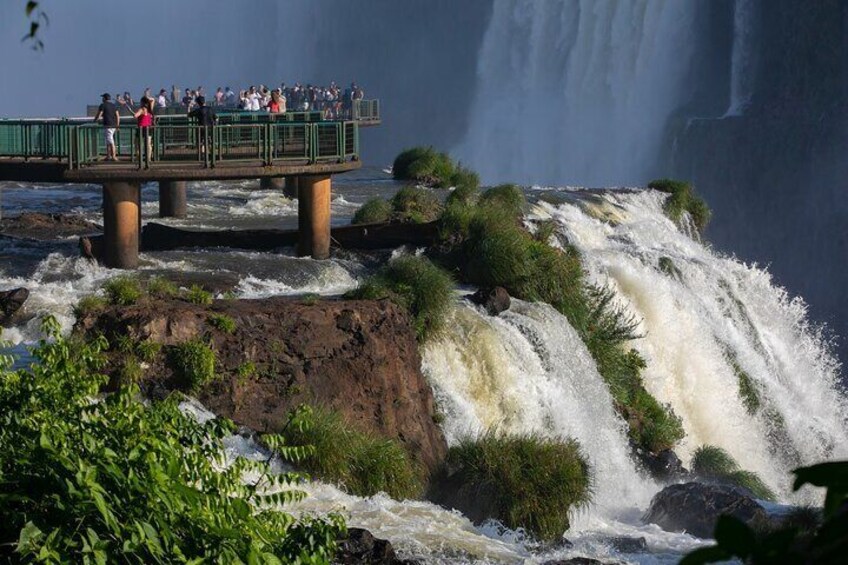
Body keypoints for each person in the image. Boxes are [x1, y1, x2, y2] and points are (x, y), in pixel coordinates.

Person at [93, 93, 120, 161]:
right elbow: (117, 116)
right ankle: (108, 155)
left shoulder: (103, 105)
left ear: (104, 98)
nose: (102, 99)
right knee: (108, 140)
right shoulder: (113, 105)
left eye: (103, 98)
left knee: (110, 140)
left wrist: (95, 120)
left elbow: (99, 114)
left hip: (108, 125)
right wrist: (117, 125)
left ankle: (113, 156)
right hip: (113, 125)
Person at [133, 96, 155, 166]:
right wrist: (148, 98)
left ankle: (139, 159)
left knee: (137, 144)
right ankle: (148, 159)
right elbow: (153, 99)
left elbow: (135, 116)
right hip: (148, 128)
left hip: (141, 129)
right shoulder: (150, 109)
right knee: (148, 145)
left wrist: (134, 114)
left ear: (142, 102)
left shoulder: (142, 109)